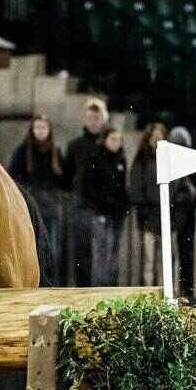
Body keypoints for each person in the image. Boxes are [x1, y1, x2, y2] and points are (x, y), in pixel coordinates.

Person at [8, 114, 65, 283]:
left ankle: (50, 283)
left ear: (49, 130)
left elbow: (64, 180)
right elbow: (12, 179)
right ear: (32, 130)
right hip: (30, 210)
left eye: (44, 128)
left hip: (51, 209)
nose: (40, 131)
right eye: (37, 127)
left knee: (52, 250)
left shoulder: (56, 152)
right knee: (31, 248)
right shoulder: (22, 152)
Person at [64, 97, 109, 286]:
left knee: (103, 254)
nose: (93, 122)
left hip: (103, 206)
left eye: (97, 118)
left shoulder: (108, 144)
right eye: (90, 118)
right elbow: (67, 175)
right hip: (81, 205)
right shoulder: (75, 146)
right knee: (82, 252)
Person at [84, 127, 130, 287]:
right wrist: (104, 203)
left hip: (117, 214)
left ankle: (112, 287)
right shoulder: (95, 159)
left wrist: (124, 205)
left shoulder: (121, 159)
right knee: (101, 253)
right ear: (105, 140)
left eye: (118, 140)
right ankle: (100, 288)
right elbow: (90, 187)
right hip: (100, 212)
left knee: (113, 253)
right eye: (112, 139)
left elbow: (122, 187)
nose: (116, 143)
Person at [128, 122, 168, 286]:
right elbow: (136, 189)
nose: (157, 141)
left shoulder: (168, 159)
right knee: (149, 260)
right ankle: (150, 293)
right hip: (149, 218)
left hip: (165, 218)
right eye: (154, 137)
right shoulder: (141, 160)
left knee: (165, 262)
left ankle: (164, 294)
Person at [167, 126, 196, 298]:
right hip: (173, 215)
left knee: (186, 257)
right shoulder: (167, 162)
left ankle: (186, 292)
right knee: (172, 257)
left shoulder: (192, 163)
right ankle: (174, 291)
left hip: (185, 216)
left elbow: (193, 192)